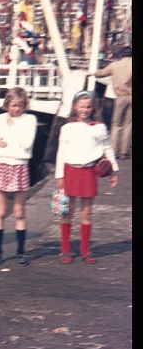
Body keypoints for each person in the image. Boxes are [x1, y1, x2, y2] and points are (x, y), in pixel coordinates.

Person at [55, 90, 119, 264]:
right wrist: (59, 175)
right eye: (81, 106)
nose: (84, 109)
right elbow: (61, 152)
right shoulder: (66, 128)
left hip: (89, 172)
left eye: (88, 106)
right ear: (75, 107)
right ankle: (65, 249)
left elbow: (108, 149)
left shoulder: (99, 127)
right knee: (67, 211)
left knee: (87, 212)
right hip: (70, 171)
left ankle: (85, 250)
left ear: (93, 108)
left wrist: (114, 171)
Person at [0, 87, 38, 266]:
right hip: (2, 164)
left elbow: (26, 143)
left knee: (19, 212)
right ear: (7, 104)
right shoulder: (0, 118)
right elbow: (1, 137)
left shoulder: (30, 119)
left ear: (25, 105)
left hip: (20, 166)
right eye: (13, 105)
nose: (16, 109)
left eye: (20, 105)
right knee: (0, 212)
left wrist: (12, 126)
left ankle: (20, 252)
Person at [90, 45, 132, 159]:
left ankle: (113, 150)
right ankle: (124, 152)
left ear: (122, 54)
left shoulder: (115, 65)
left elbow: (102, 73)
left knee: (116, 124)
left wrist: (92, 73)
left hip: (120, 97)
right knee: (129, 125)